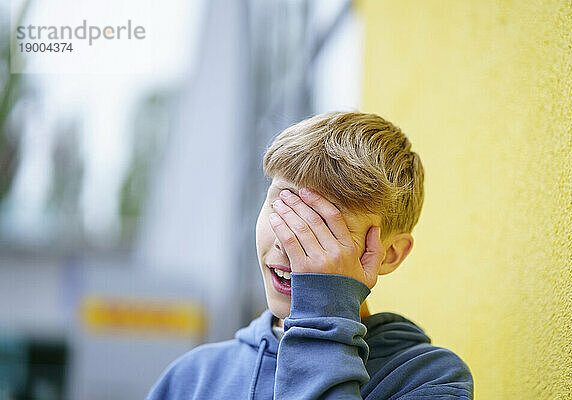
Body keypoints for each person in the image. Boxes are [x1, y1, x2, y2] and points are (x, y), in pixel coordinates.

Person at [145, 111, 474, 399]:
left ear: (389, 254)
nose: (289, 242)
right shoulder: (192, 378)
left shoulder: (428, 379)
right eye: (283, 206)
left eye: (324, 227)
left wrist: (323, 310)